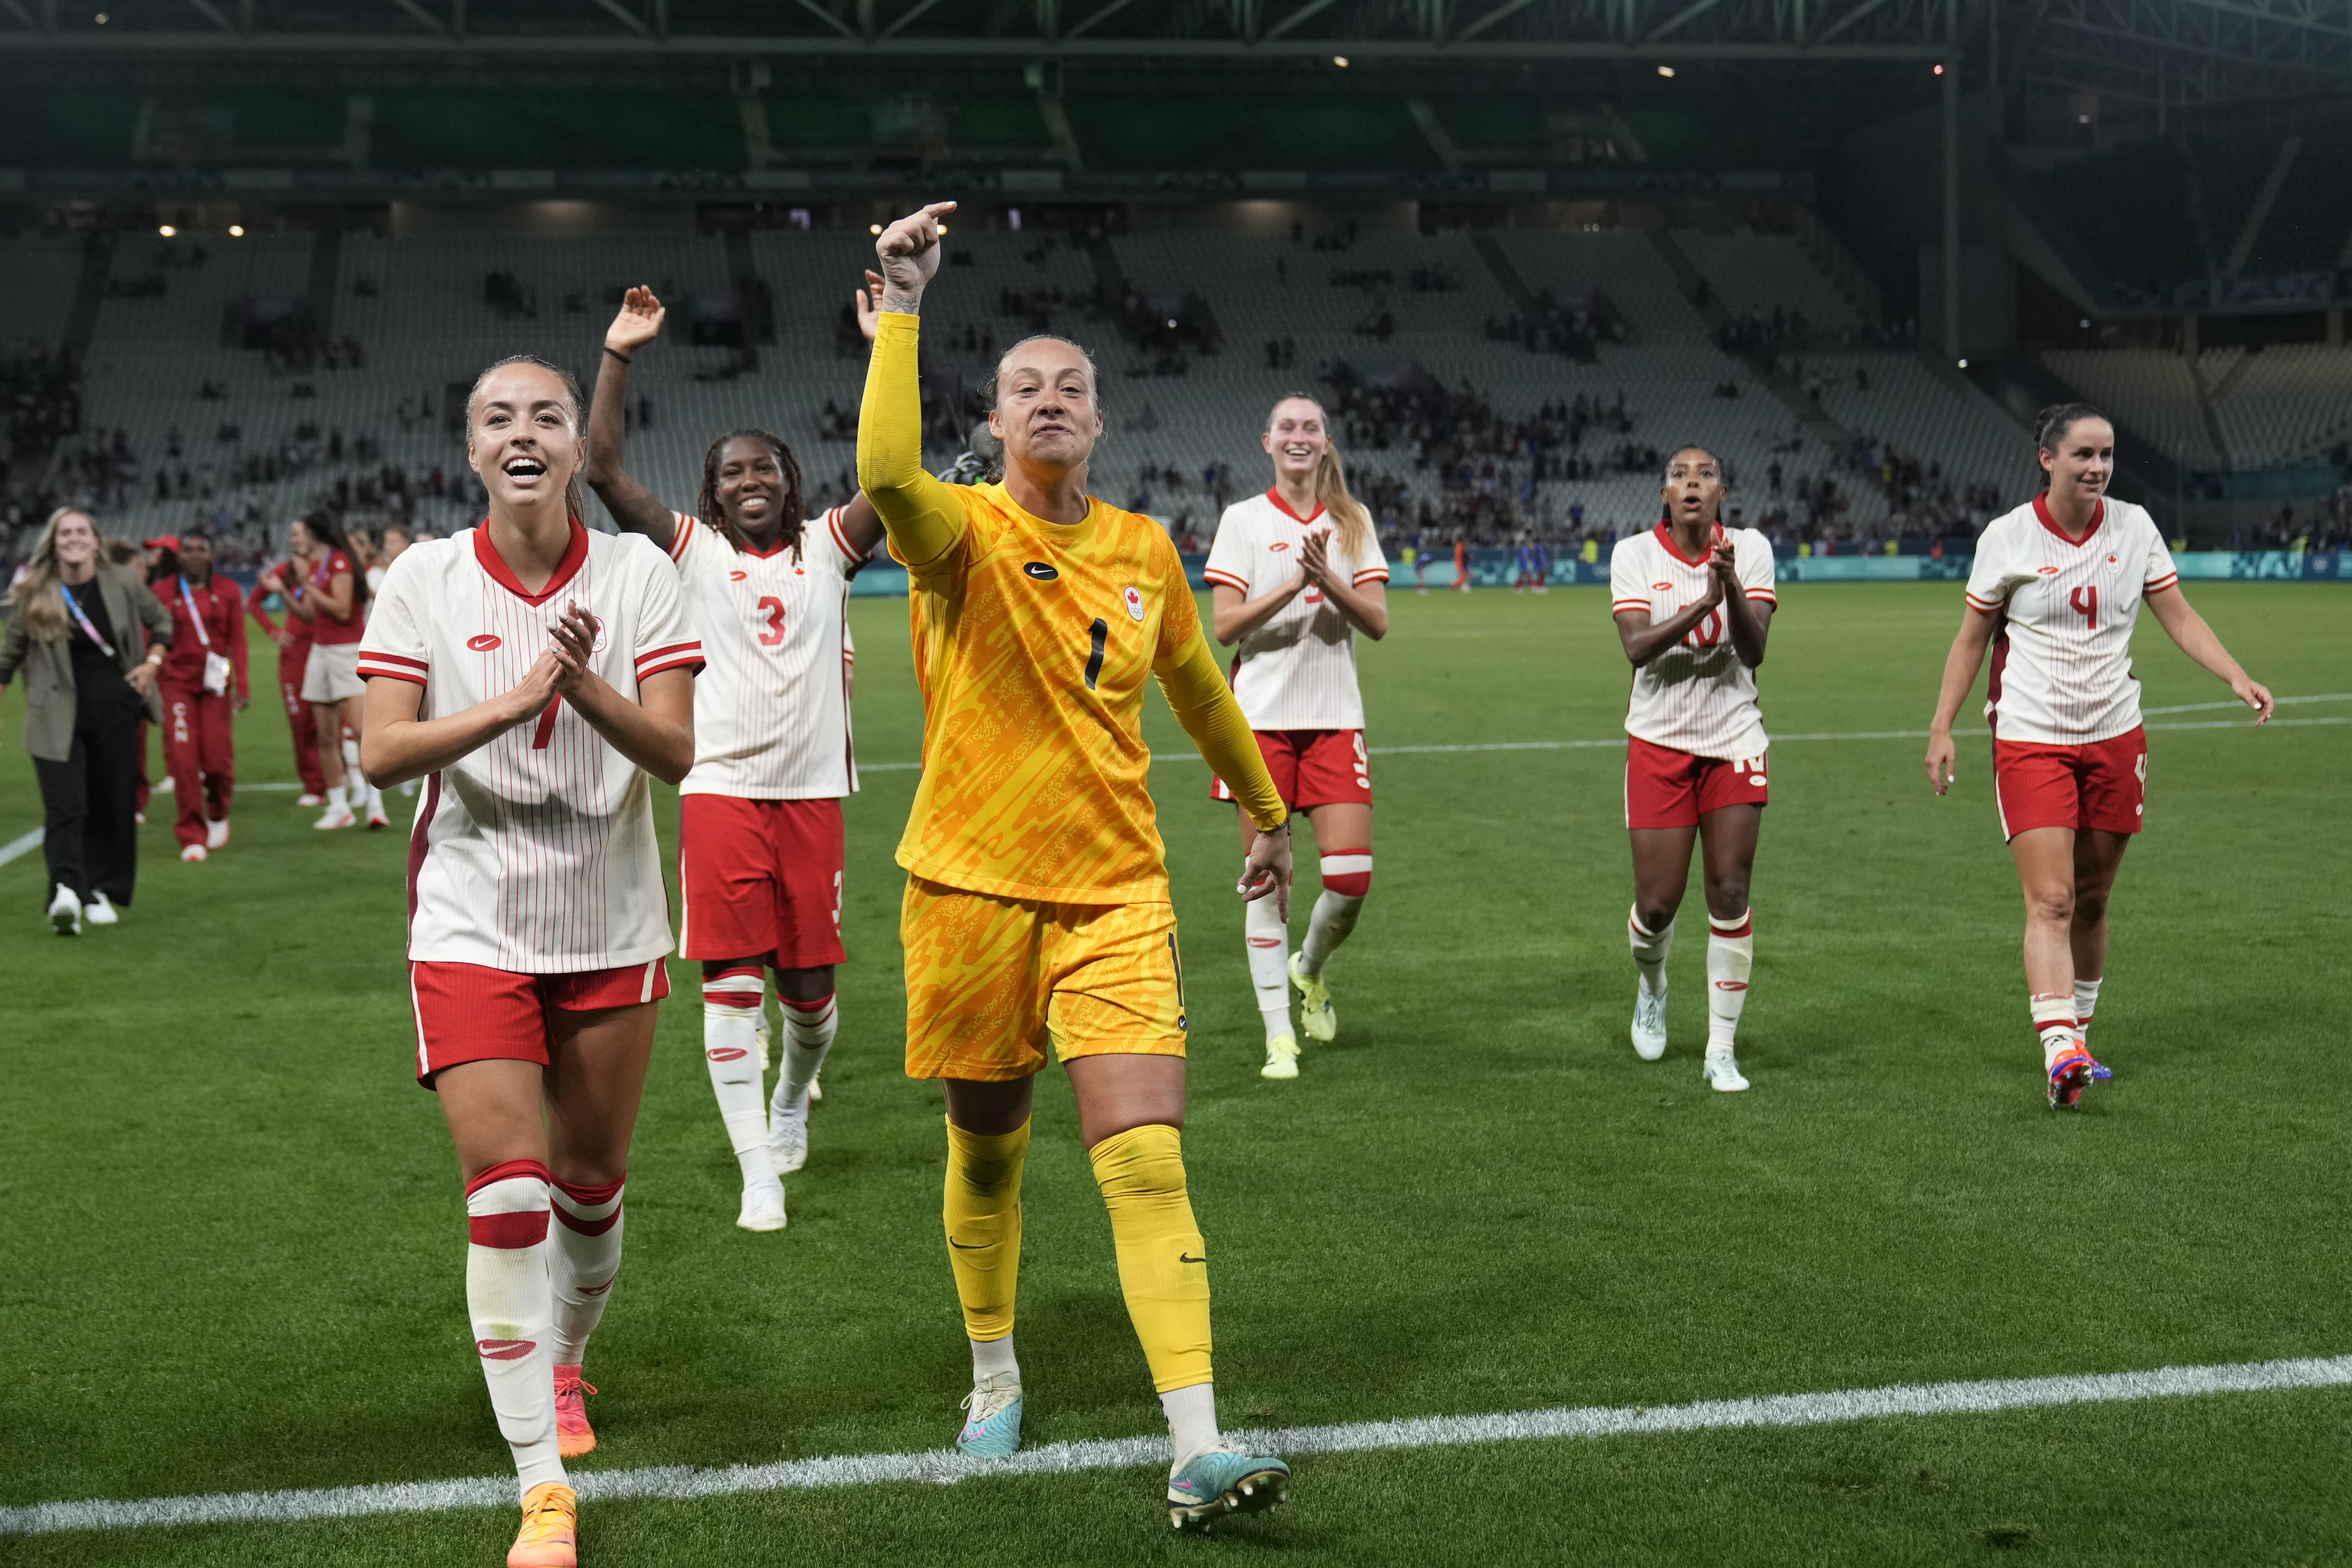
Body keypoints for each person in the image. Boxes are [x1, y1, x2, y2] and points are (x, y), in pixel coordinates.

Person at [859, 202, 1296, 1529]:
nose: (1048, 400)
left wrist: (1267, 806)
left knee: (1145, 1157)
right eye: (1023, 387)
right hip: (972, 887)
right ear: (993, 422)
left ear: (1100, 420)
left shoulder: (1144, 548)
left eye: (1071, 387)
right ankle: (993, 1370)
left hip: (1116, 889)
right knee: (989, 1153)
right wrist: (900, 301)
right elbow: (884, 474)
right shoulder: (960, 532)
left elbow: (1201, 689)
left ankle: (1197, 1446)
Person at [358, 354, 700, 1568]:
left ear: (572, 447)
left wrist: (579, 681)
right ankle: (541, 1489)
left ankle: (564, 1365)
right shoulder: (423, 579)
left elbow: (676, 754)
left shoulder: (640, 574)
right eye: (498, 417)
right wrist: (510, 703)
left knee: (590, 1185)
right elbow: (383, 753)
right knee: (507, 1193)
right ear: (471, 451)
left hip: (612, 919)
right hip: (472, 919)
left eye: (547, 416)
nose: (524, 432)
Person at [587, 282, 885, 1233]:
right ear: (711, 489)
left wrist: (886, 347)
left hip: (811, 795)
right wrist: (620, 353)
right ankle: (758, 1167)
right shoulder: (691, 552)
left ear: (788, 478)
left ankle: (792, 1097)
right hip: (720, 791)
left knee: (810, 1002)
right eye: (729, 472)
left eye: (763, 468)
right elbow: (600, 470)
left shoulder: (830, 546)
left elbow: (894, 469)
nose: (748, 480)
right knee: (729, 984)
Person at [1925, 404, 2272, 1109]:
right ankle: (2059, 1048)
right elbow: (1970, 640)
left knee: (2091, 899)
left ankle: (2076, 1040)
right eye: (2083, 453)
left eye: (2106, 454)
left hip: (2114, 733)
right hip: (2030, 734)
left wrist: (2232, 673)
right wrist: (1941, 726)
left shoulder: (2134, 526)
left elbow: (2175, 612)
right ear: (2045, 458)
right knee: (2049, 898)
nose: (2097, 467)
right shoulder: (2007, 537)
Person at [1201, 394, 1389, 1079]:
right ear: (1267, 441)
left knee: (1349, 879)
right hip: (1257, 724)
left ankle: (1307, 967)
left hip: (1335, 718)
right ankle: (1278, 1036)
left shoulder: (1352, 521)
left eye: (1310, 427)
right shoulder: (1242, 521)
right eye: (1287, 426)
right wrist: (1295, 582)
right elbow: (1225, 627)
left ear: (1325, 443)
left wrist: (1327, 581)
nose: (1299, 436)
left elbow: (1375, 621)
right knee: (1262, 879)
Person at [1610, 447, 1777, 1093]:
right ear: (1662, 493)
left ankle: (1720, 1049)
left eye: (1704, 475)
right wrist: (1704, 600)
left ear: (1721, 492)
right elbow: (1635, 649)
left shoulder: (1750, 549)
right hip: (1657, 742)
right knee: (1655, 906)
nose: (1691, 484)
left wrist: (1729, 585)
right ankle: (1651, 986)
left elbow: (1755, 647)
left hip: (1734, 738)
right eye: (1679, 475)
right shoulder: (1634, 556)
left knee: (1729, 892)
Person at [0, 508, 174, 935]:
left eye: (81, 532)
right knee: (65, 805)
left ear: (95, 541)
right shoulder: (35, 590)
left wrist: (152, 663)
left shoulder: (124, 582)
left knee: (110, 802)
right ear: (53, 542)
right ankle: (64, 889)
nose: (74, 539)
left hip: (115, 707)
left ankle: (97, 887)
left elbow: (163, 622)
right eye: (65, 533)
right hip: (54, 712)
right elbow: (7, 658)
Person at [262, 513, 382, 830]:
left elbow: (342, 610)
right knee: (326, 736)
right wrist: (287, 592)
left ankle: (374, 803)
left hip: (347, 651)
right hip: (321, 650)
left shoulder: (340, 562)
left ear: (316, 534)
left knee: (359, 731)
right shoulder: (318, 565)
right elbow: (307, 615)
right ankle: (339, 806)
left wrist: (305, 585)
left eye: (302, 534)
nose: (297, 540)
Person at [153, 527, 249, 862]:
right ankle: (191, 833)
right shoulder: (162, 591)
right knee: (183, 759)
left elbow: (237, 639)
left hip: (216, 681)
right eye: (188, 549)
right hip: (176, 683)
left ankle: (218, 812)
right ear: (179, 556)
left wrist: (244, 685)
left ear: (211, 555)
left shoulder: (229, 590)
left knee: (218, 760)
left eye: (201, 549)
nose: (194, 555)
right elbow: (149, 635)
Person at [251, 525, 330, 807]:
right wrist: (273, 631)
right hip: (295, 658)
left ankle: (335, 781)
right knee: (301, 723)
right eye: (294, 535)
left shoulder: (326, 567)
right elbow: (254, 602)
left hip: (324, 651)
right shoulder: (287, 570)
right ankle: (314, 785)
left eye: (302, 535)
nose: (298, 540)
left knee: (328, 725)